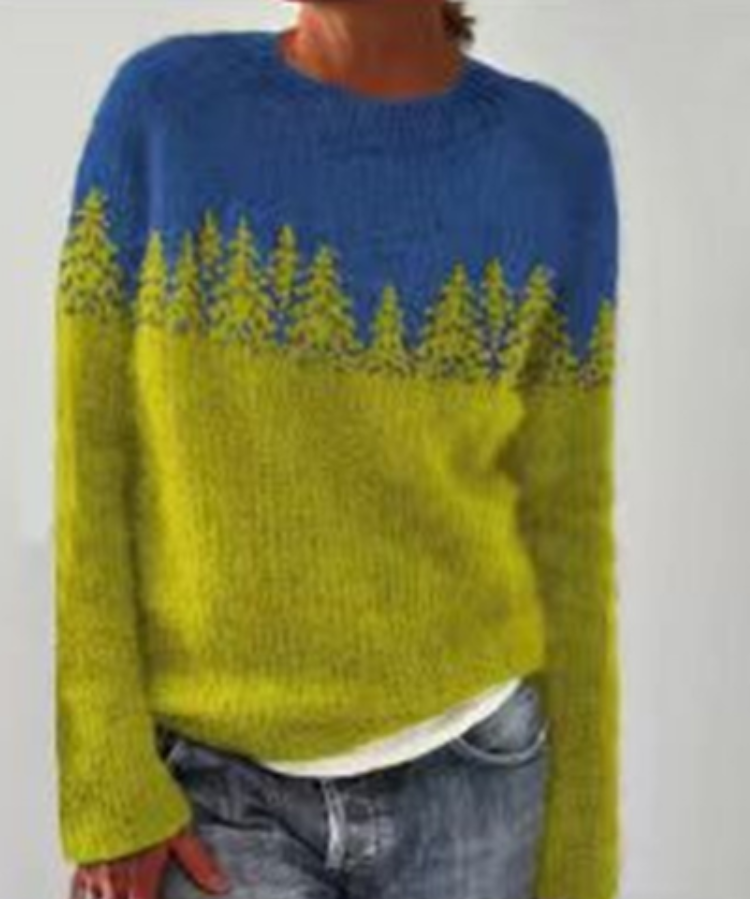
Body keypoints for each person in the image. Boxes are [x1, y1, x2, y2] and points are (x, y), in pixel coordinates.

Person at [53, 2, 622, 898]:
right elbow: (92, 469)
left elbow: (568, 527)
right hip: (215, 798)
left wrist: (580, 864)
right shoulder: (164, 113)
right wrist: (109, 784)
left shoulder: (553, 160)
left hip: (480, 785)